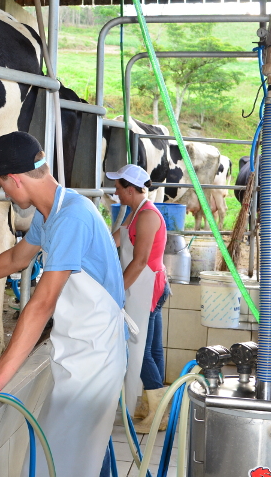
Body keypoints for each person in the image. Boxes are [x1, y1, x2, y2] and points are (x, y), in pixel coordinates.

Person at [0, 131, 127, 477]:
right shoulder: (50, 212)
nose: (1, 191)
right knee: (68, 456)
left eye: (0, 183)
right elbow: (16, 259)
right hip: (77, 346)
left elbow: (41, 305)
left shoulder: (72, 216)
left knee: (65, 461)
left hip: (95, 354)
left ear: (15, 180)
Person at [107, 164, 171, 434]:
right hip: (148, 286)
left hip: (149, 287)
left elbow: (141, 260)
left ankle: (158, 411)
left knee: (141, 349)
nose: (116, 192)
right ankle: (152, 404)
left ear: (130, 190)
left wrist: (117, 292)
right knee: (153, 348)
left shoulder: (147, 216)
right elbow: (116, 239)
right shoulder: (135, 213)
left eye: (119, 188)